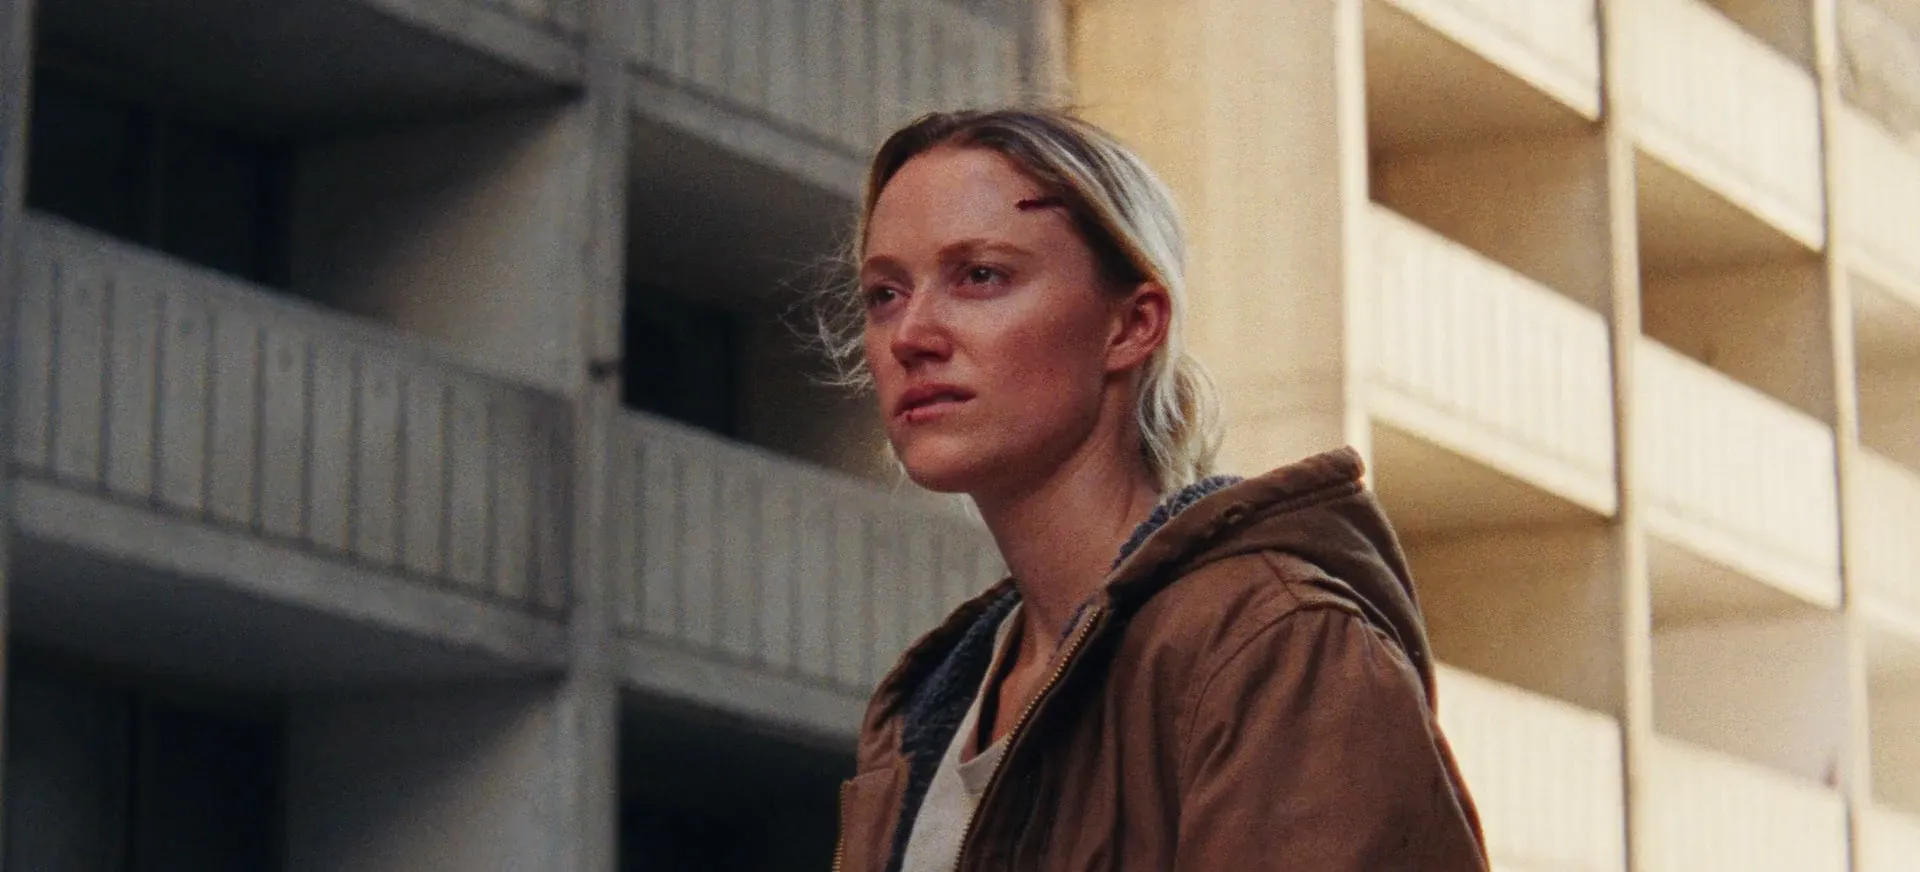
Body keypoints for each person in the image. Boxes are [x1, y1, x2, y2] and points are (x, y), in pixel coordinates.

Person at [822, 108, 1488, 872]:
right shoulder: (925, 719)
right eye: (885, 294)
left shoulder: (1276, 648)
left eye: (980, 276)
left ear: (1133, 325)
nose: (911, 335)